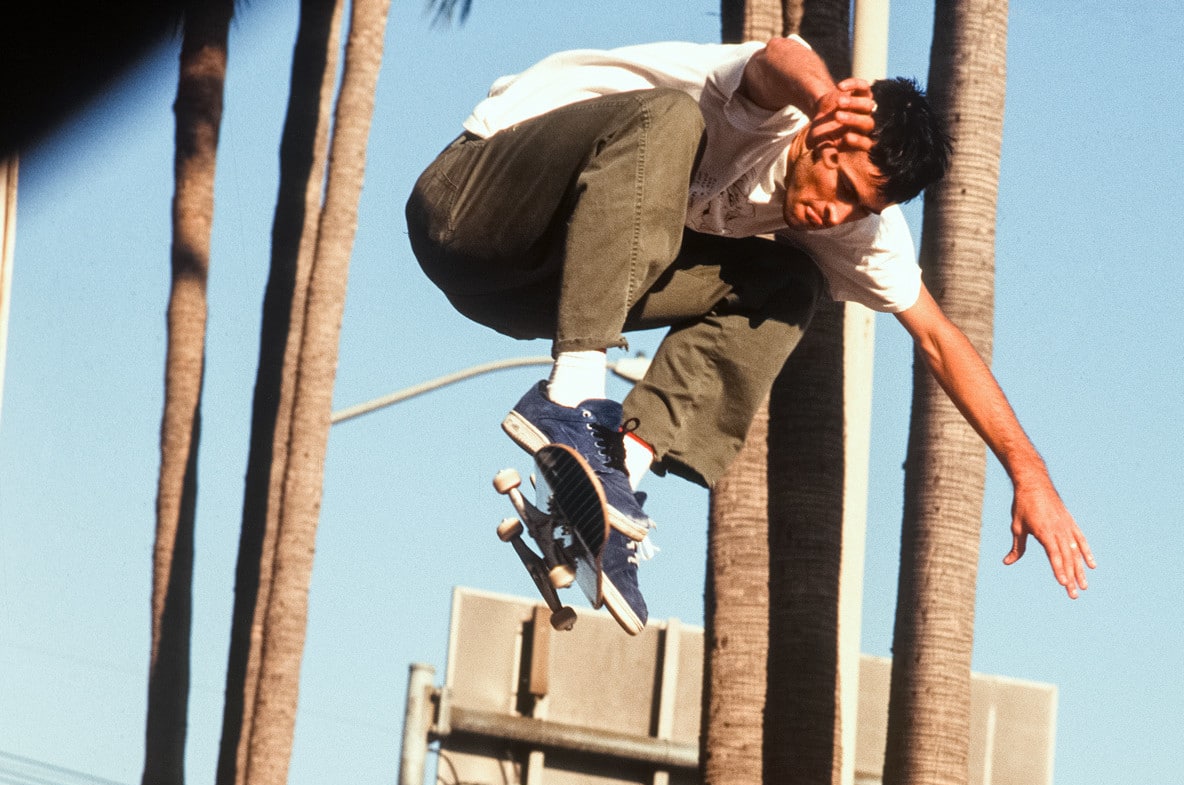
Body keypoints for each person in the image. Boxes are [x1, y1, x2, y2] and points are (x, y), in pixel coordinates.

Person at [407, 35, 1094, 635]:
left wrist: (1029, 473)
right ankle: (570, 397)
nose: (834, 213)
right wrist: (826, 97)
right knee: (670, 120)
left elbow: (940, 338)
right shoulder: (764, 105)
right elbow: (778, 56)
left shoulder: (855, 228)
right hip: (468, 207)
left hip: (532, 296)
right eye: (841, 184)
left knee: (789, 284)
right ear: (824, 135)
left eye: (860, 206)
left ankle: (616, 478)